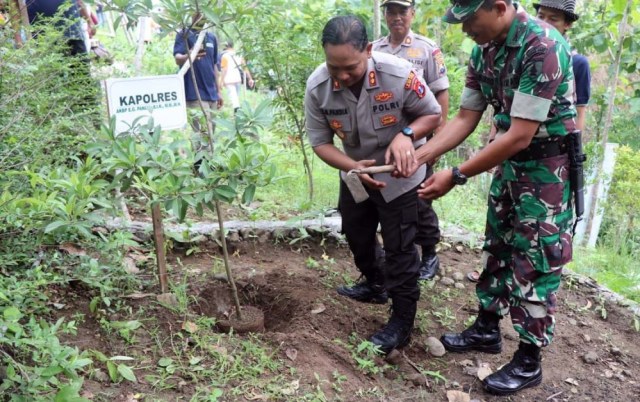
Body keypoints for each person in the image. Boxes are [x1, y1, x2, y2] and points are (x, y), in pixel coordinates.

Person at [405, 0, 576, 395]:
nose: (465, 29)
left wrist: (458, 174)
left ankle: (529, 359)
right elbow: (467, 116)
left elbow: (520, 133)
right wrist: (423, 157)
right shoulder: (484, 49)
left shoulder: (543, 45)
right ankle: (486, 328)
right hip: (509, 165)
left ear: (499, 7)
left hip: (546, 169)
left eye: (470, 20)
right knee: (497, 246)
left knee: (536, 259)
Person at [305, 16, 441, 354]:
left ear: (367, 50)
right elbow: (321, 143)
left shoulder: (398, 74)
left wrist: (407, 135)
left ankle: (401, 321)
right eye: (333, 66)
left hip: (400, 176)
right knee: (356, 232)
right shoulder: (317, 87)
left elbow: (432, 113)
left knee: (400, 247)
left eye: (349, 67)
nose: (341, 76)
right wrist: (352, 166)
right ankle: (375, 282)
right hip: (356, 174)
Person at [373, 0, 450, 281]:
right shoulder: (374, 49)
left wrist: (438, 140)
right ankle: (396, 255)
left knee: (419, 197)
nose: (396, 17)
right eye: (390, 11)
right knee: (385, 196)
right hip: (383, 139)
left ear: (412, 14)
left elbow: (441, 95)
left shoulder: (427, 49)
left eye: (402, 11)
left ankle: (429, 254)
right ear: (384, 15)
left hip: (418, 138)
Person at [533, 0, 590, 132]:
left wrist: (576, 148)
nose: (544, 23)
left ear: (567, 24)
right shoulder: (523, 54)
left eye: (553, 19)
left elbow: (579, 111)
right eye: (541, 16)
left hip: (555, 142)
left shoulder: (577, 63)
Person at [173, 13, 223, 155]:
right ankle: (200, 167)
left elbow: (215, 66)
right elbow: (177, 58)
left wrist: (218, 92)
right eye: (199, 12)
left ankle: (207, 167)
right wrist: (189, 54)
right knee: (201, 133)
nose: (202, 15)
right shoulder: (184, 34)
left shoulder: (211, 37)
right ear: (193, 13)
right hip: (194, 93)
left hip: (211, 94)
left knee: (211, 132)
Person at [220, 40, 254, 114]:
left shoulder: (224, 56)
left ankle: (237, 112)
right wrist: (250, 79)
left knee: (233, 97)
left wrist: (221, 81)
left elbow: (224, 69)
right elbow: (245, 67)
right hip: (237, 79)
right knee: (236, 96)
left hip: (228, 79)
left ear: (226, 46)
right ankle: (237, 112)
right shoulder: (239, 54)